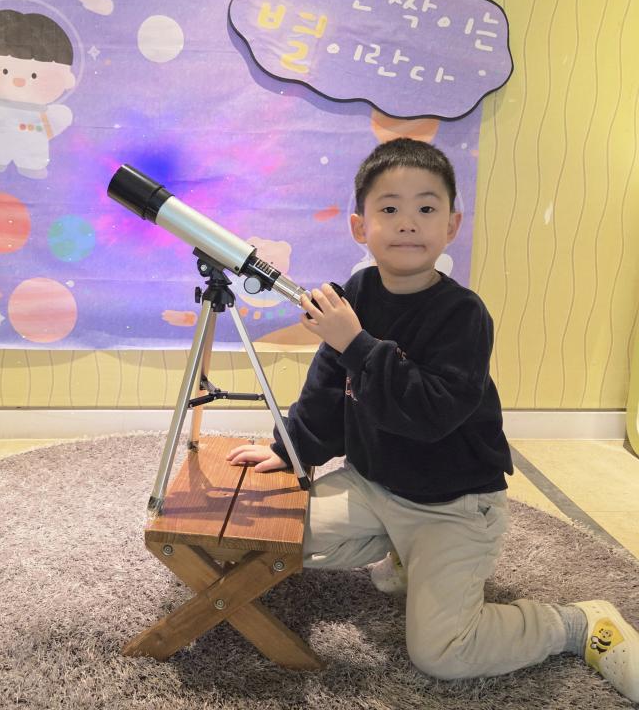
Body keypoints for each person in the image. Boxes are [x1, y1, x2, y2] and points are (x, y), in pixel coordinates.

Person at [227, 137, 638, 702]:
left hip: (453, 503)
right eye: (389, 208)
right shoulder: (355, 294)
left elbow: (430, 415)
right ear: (359, 226)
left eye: (426, 207)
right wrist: (287, 447)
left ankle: (574, 624)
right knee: (269, 537)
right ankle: (403, 555)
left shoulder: (463, 314)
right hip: (374, 485)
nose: (407, 222)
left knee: (442, 653)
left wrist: (357, 343)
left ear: (452, 225)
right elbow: (324, 390)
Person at [0, 9, 76, 179]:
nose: (19, 81)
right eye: (5, 71)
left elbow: (57, 121)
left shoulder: (41, 114)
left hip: (32, 153)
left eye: (34, 75)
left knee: (30, 160)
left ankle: (31, 166)